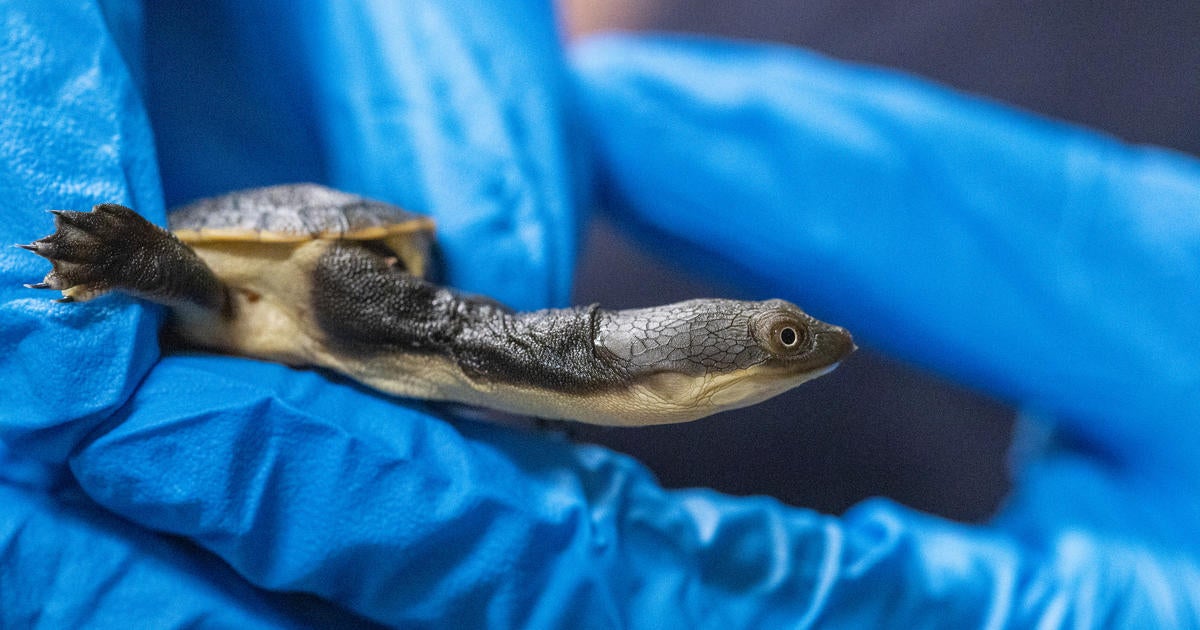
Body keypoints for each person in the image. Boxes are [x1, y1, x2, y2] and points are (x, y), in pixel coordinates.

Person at [2, 1, 1197, 626]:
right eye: (785, 338)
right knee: (381, 327)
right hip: (261, 257)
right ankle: (138, 259)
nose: (810, 352)